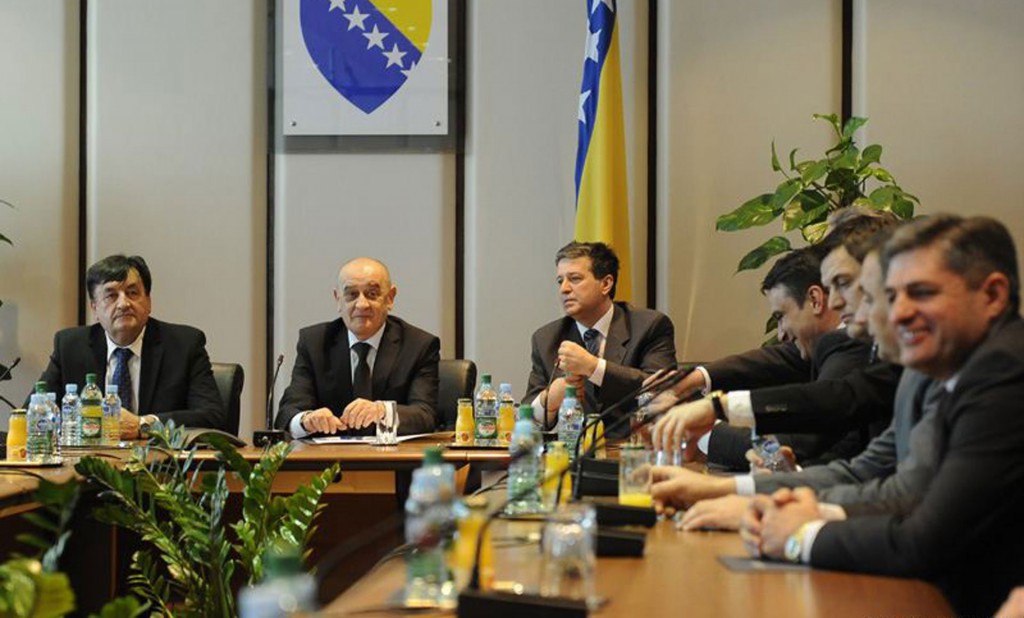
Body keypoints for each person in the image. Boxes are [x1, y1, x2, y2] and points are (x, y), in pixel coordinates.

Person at [741, 214, 1024, 617]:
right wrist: (806, 510)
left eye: (921, 293)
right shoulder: (958, 368)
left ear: (992, 295)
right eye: (890, 296)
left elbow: (923, 540)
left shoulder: (1001, 372)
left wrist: (798, 535)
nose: (898, 313)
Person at [657, 224, 935, 528]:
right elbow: (862, 470)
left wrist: (792, 525)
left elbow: (837, 407)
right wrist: (727, 489)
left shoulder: (936, 371)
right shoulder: (911, 368)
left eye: (846, 284)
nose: (836, 301)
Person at [651, 216, 902, 470]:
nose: (835, 301)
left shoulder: (857, 347)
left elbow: (817, 424)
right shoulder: (867, 354)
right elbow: (856, 468)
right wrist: (700, 389)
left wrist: (710, 419)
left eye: (844, 283)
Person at [35, 254, 225, 437]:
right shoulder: (70, 347)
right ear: (95, 309)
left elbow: (212, 416)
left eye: (132, 293)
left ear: (148, 302)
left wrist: (143, 425)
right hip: (91, 457)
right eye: (111, 296)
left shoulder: (184, 345)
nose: (123, 304)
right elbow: (34, 412)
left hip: (158, 458)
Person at [276, 257, 440, 437]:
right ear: (338, 299)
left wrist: (383, 411)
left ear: (390, 298)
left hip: (392, 454)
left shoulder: (418, 345)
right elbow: (287, 413)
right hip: (329, 454)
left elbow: (425, 415)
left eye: (372, 294)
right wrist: (306, 420)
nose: (362, 304)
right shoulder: (314, 343)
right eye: (352, 295)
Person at [523, 241, 676, 431]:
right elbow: (525, 421)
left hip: (633, 443)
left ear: (605, 284)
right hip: (575, 447)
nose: (564, 289)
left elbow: (662, 390)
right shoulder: (546, 338)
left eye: (575, 279)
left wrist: (594, 367)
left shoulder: (649, 326)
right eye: (560, 281)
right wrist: (549, 399)